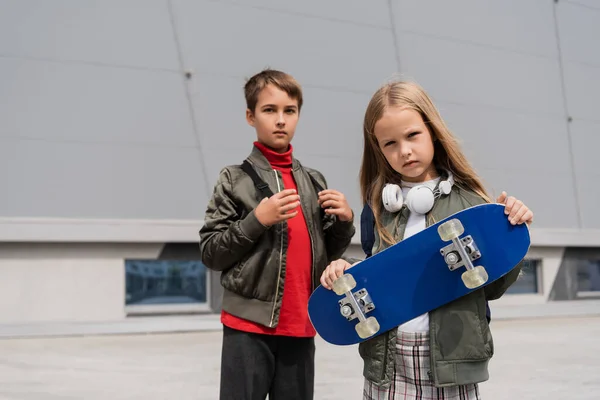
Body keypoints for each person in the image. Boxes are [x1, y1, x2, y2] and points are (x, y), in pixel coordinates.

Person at [320, 80, 533, 399]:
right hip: (389, 363)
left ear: (432, 130)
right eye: (389, 143)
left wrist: (509, 232)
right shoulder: (379, 208)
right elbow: (380, 271)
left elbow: (493, 289)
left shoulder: (471, 204)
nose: (404, 150)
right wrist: (344, 270)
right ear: (378, 149)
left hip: (449, 362)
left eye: (412, 135)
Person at [199, 69, 356, 400]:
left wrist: (344, 221)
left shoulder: (314, 181)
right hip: (248, 327)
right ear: (250, 116)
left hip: (302, 324)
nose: (280, 120)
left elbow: (326, 256)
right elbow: (212, 252)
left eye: (290, 111)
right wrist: (258, 219)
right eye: (269, 110)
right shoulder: (234, 179)